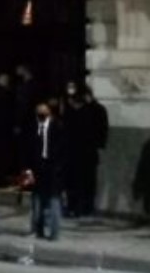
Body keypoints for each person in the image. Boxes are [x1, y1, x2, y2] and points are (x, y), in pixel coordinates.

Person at [63, 81, 109, 217]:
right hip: (74, 152)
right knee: (73, 180)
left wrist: (98, 145)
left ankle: (84, 207)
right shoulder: (72, 110)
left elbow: (101, 130)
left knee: (86, 180)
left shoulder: (94, 110)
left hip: (86, 152)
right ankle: (74, 206)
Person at [24, 100, 66, 241]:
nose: (41, 114)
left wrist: (59, 167)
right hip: (38, 167)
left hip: (53, 168)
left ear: (49, 112)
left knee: (54, 201)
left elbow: (63, 150)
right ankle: (37, 229)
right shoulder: (32, 128)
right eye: (38, 111)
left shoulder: (58, 127)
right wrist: (28, 170)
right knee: (37, 200)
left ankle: (54, 233)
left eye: (43, 111)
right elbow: (27, 150)